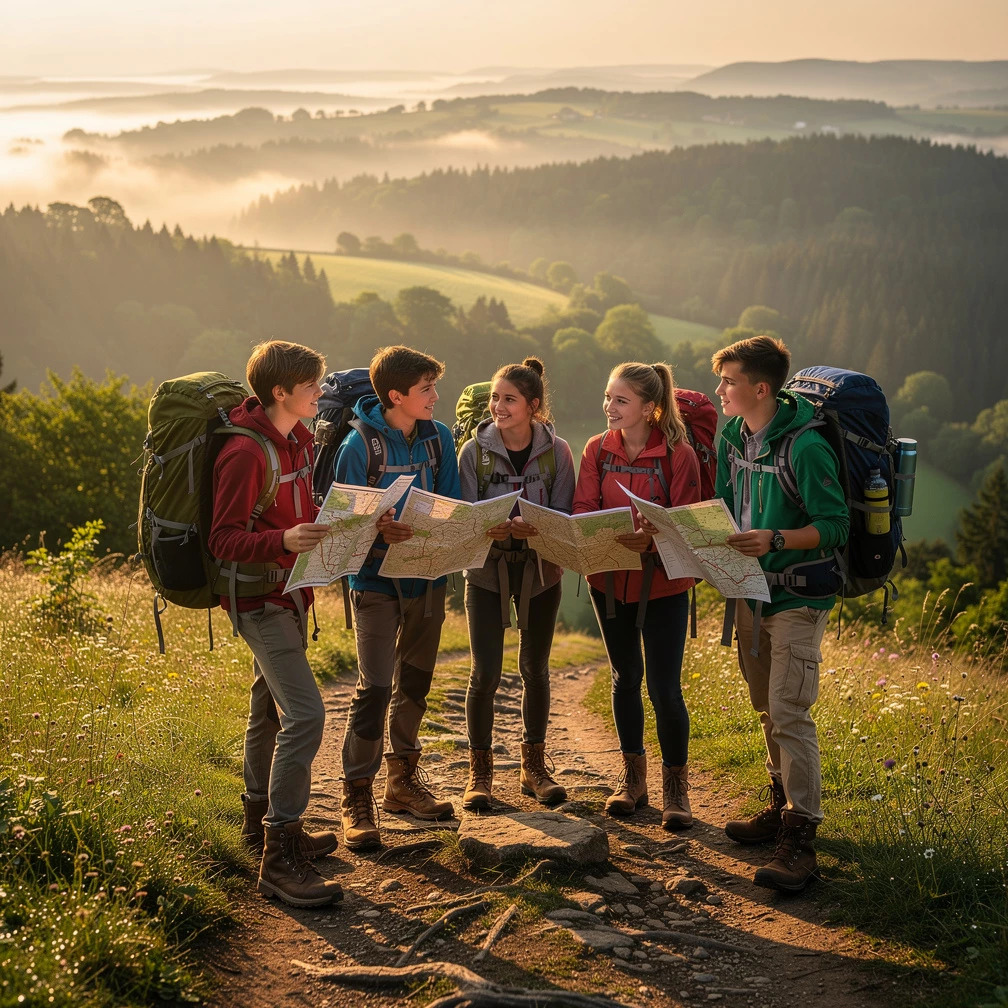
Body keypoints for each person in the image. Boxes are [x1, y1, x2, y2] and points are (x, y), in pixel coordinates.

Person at [208, 339, 342, 908]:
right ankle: (278, 856)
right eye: (312, 385)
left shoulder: (297, 441)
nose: (321, 391)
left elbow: (299, 515)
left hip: (289, 594)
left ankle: (256, 822)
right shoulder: (246, 453)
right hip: (260, 600)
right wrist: (283, 541)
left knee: (268, 706)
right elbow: (223, 540)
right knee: (307, 715)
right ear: (280, 393)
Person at [713, 334, 849, 892]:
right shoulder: (732, 435)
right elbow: (723, 506)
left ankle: (801, 837)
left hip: (797, 596)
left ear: (760, 389)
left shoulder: (806, 447)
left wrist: (774, 538)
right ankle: (779, 804)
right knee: (767, 707)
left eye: (729, 382)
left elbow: (835, 527)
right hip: (750, 592)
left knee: (789, 710)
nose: (720, 390)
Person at [334, 345, 461, 850]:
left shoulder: (439, 439)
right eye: (426, 388)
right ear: (396, 395)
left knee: (416, 681)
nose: (435, 396)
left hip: (428, 579)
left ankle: (402, 784)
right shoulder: (358, 447)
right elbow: (343, 525)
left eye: (434, 386)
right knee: (376, 686)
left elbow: (453, 502)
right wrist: (378, 531)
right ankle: (356, 794)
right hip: (374, 582)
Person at [572, 361, 701, 829]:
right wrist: (610, 532)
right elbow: (583, 508)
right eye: (608, 397)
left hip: (664, 583)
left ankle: (676, 791)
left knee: (664, 689)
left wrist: (653, 536)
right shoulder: (596, 450)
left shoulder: (678, 455)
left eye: (620, 400)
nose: (609, 407)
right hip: (608, 579)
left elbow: (686, 521)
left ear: (650, 408)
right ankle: (632, 781)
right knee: (625, 677)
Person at [458, 358, 576, 810]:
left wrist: (537, 529)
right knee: (484, 673)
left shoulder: (559, 451)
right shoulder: (474, 451)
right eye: (494, 398)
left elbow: (564, 513)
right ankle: (480, 774)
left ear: (534, 405)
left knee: (535, 670)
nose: (498, 406)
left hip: (542, 570)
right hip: (486, 570)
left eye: (508, 399)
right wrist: (494, 527)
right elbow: (467, 512)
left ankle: (534, 769)